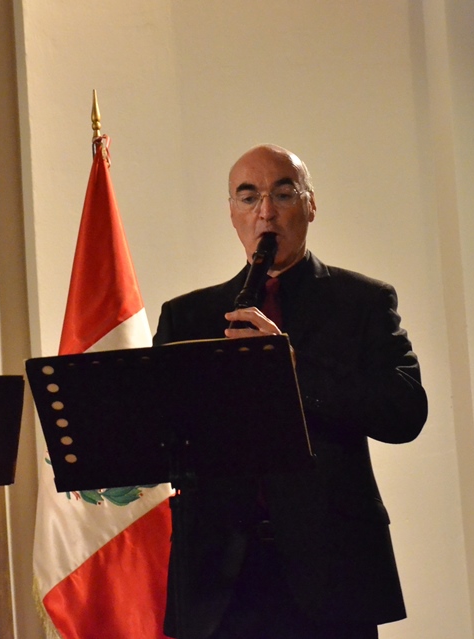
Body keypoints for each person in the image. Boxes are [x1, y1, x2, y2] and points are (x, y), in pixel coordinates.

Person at [153, 144, 427, 639]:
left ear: (311, 206)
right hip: (218, 582)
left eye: (283, 193)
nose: (266, 211)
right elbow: (161, 432)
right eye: (248, 197)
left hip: (332, 574)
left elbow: (405, 412)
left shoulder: (362, 302)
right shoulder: (188, 316)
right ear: (232, 215)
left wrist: (292, 371)